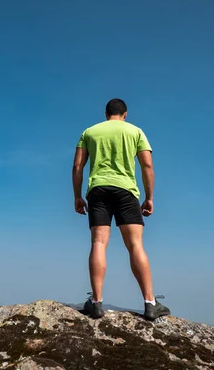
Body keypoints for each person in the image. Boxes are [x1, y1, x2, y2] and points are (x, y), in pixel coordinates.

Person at [72, 98, 170, 321]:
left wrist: (77, 196)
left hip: (98, 190)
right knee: (135, 245)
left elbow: (78, 165)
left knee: (98, 243)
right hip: (126, 191)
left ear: (106, 113)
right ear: (125, 114)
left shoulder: (90, 132)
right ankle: (150, 303)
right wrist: (149, 198)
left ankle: (96, 302)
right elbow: (147, 165)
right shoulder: (136, 132)